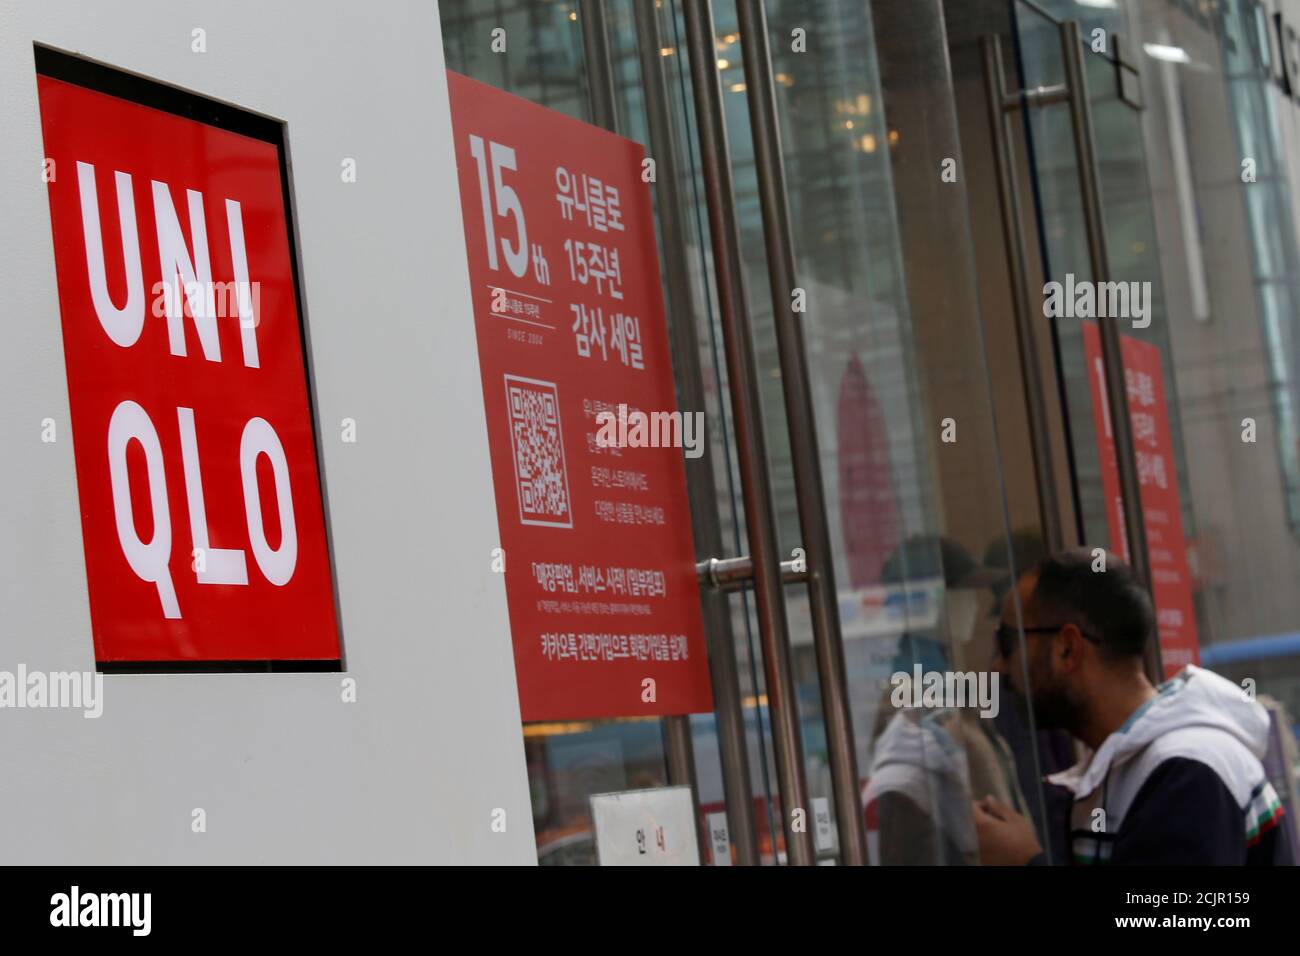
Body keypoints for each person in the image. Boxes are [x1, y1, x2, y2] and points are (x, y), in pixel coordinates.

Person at [974, 548, 1293, 865]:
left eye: (1007, 642)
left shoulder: (1186, 772)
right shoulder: (1134, 768)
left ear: (1067, 650)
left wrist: (1027, 862)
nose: (999, 666)